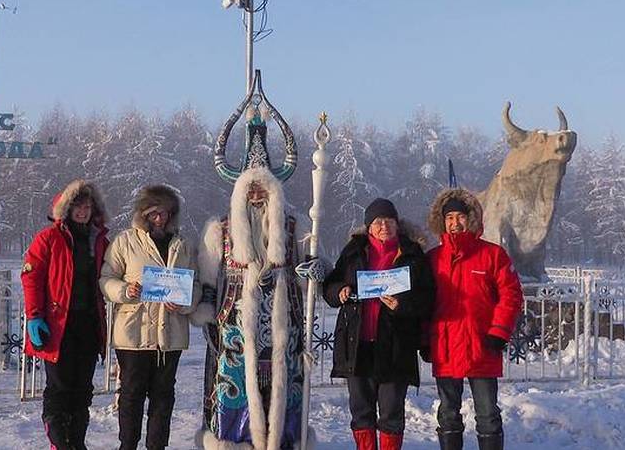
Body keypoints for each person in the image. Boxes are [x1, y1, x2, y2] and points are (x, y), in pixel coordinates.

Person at [191, 165, 310, 449]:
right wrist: (209, 318)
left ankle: (284, 441)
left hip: (283, 325)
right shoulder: (220, 230)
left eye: (263, 190)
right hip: (236, 327)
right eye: (250, 190)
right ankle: (237, 440)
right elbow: (207, 281)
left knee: (283, 390)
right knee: (237, 389)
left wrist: (315, 270)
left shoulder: (294, 228)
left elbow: (308, 274)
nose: (256, 196)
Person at [322, 198, 435, 450]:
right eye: (377, 222)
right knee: (361, 410)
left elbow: (427, 298)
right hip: (357, 345)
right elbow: (329, 286)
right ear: (369, 227)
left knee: (391, 412)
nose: (384, 226)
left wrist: (402, 305)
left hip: (395, 346)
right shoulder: (353, 252)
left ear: (398, 225)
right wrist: (340, 291)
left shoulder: (412, 255)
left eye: (389, 221)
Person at [99, 185, 200, 450]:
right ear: (144, 213)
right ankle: (127, 444)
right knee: (131, 395)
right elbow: (106, 278)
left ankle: (157, 446)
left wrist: (185, 301)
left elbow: (196, 284)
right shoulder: (125, 241)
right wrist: (124, 290)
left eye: (165, 213)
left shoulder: (183, 245)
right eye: (154, 213)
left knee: (163, 396)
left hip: (170, 335)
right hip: (133, 333)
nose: (160, 219)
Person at [425, 188, 524, 450]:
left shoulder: (493, 255)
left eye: (460, 216)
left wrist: (499, 332)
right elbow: (423, 302)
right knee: (447, 414)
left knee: (488, 415)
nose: (454, 223)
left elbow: (511, 295)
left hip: (482, 346)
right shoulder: (433, 259)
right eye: (449, 218)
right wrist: (424, 338)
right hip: (445, 347)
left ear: (471, 219)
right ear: (442, 221)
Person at [20, 180, 110, 450]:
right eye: (77, 206)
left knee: (83, 390)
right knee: (59, 388)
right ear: (66, 209)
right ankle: (60, 443)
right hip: (58, 326)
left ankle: (77, 442)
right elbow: (31, 277)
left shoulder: (100, 241)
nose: (82, 211)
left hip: (88, 324)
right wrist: (35, 315)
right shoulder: (49, 238)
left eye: (87, 206)